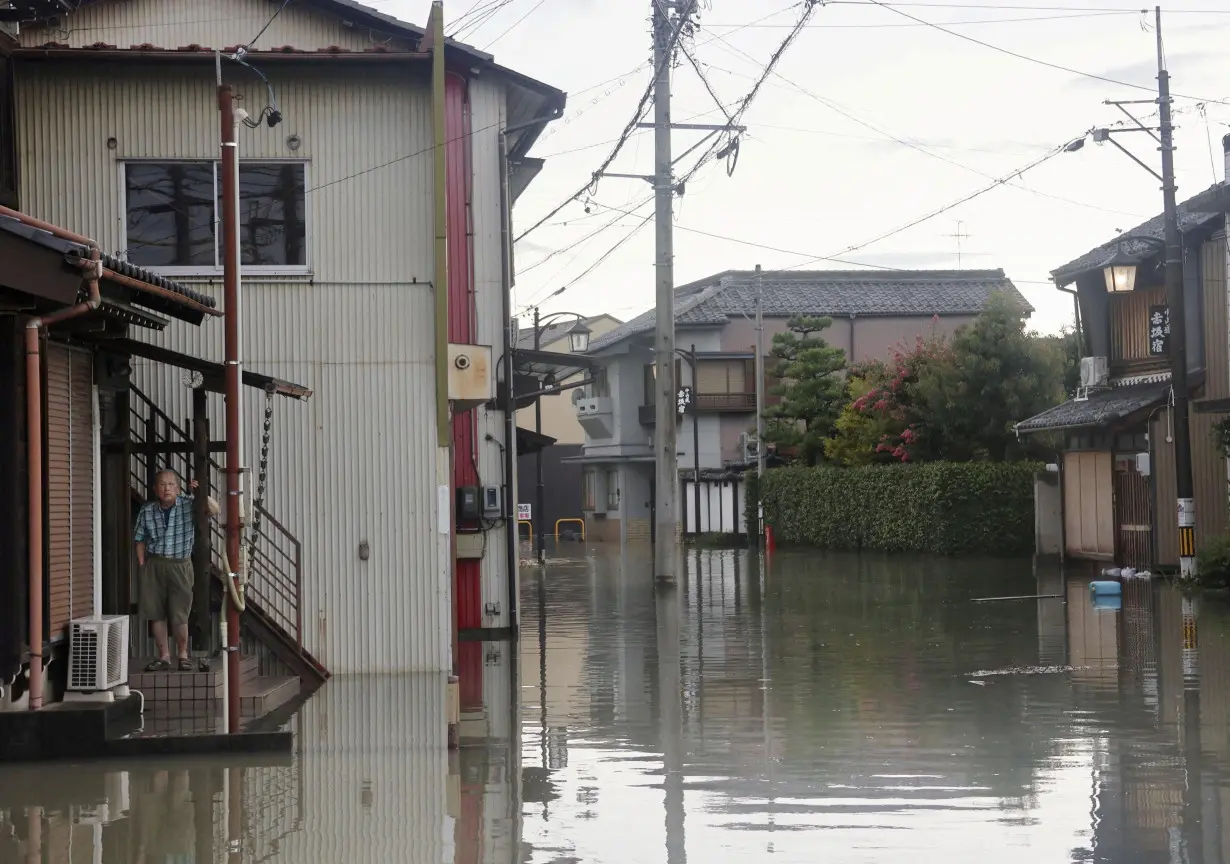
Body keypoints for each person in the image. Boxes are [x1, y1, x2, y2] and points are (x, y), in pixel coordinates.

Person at [134, 470, 220, 672]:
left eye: (171, 484)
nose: (166, 488)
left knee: (180, 613)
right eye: (162, 484)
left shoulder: (188, 504)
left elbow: (215, 510)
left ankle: (183, 655)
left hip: (180, 564)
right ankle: (164, 656)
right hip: (154, 563)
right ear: (155, 489)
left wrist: (201, 494)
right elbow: (139, 538)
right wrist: (141, 564)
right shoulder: (147, 510)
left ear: (178, 488)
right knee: (155, 613)